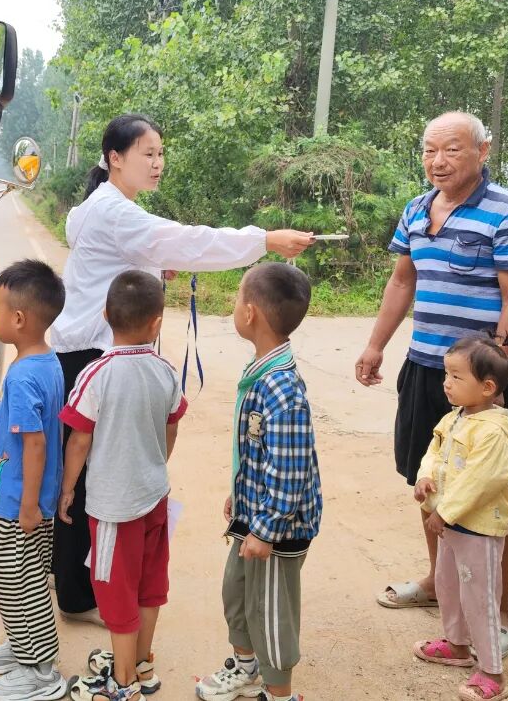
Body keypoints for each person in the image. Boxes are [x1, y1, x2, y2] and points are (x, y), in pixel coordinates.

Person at [49, 113, 313, 623]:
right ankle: (82, 594)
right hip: (96, 357)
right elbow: (191, 241)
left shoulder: (101, 206)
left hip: (86, 355)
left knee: (87, 472)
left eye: (161, 154)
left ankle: (76, 580)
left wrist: (152, 266)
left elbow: (132, 259)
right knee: (97, 477)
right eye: (147, 154)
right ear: (115, 158)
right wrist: (265, 240)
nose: (158, 163)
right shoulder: (116, 213)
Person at [354, 111, 508, 654]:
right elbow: (402, 281)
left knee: (490, 496)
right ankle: (440, 584)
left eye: (452, 149)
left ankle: (500, 612)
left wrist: (493, 376)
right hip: (426, 371)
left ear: (483, 150)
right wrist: (375, 344)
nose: (438, 161)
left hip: (484, 383)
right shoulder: (416, 209)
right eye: (430, 150)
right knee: (429, 479)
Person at [57, 270, 187, 701]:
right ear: (157, 322)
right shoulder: (166, 371)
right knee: (149, 585)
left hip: (114, 507)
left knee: (115, 592)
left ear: (105, 315)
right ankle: (141, 662)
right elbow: (171, 427)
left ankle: (123, 682)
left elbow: (79, 439)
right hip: (155, 498)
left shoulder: (96, 375)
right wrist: (156, 463)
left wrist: (68, 488)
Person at [195, 262, 321, 701]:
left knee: (270, 613)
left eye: (236, 300)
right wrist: (240, 492)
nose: (234, 308)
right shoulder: (262, 369)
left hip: (275, 528)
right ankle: (246, 668)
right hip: (254, 517)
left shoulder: (282, 388)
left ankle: (279, 692)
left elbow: (290, 470)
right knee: (238, 593)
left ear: (250, 313)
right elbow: (260, 453)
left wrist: (266, 529)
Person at [0, 260, 68, 701]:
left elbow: (35, 444)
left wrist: (28, 505)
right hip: (20, 499)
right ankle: (22, 647)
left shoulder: (25, 376)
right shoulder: (46, 362)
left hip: (19, 505)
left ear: (18, 319)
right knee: (17, 579)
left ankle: (41, 670)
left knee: (21, 584)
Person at [412, 337, 508, 701]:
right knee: (448, 586)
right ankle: (457, 645)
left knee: (479, 598)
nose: (446, 383)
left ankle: (492, 672)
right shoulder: (455, 418)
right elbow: (434, 452)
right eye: (447, 374)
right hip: (451, 527)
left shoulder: (493, 432)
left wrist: (444, 512)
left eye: (456, 377)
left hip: (477, 530)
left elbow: (482, 480)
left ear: (487, 387)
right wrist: (424, 477)